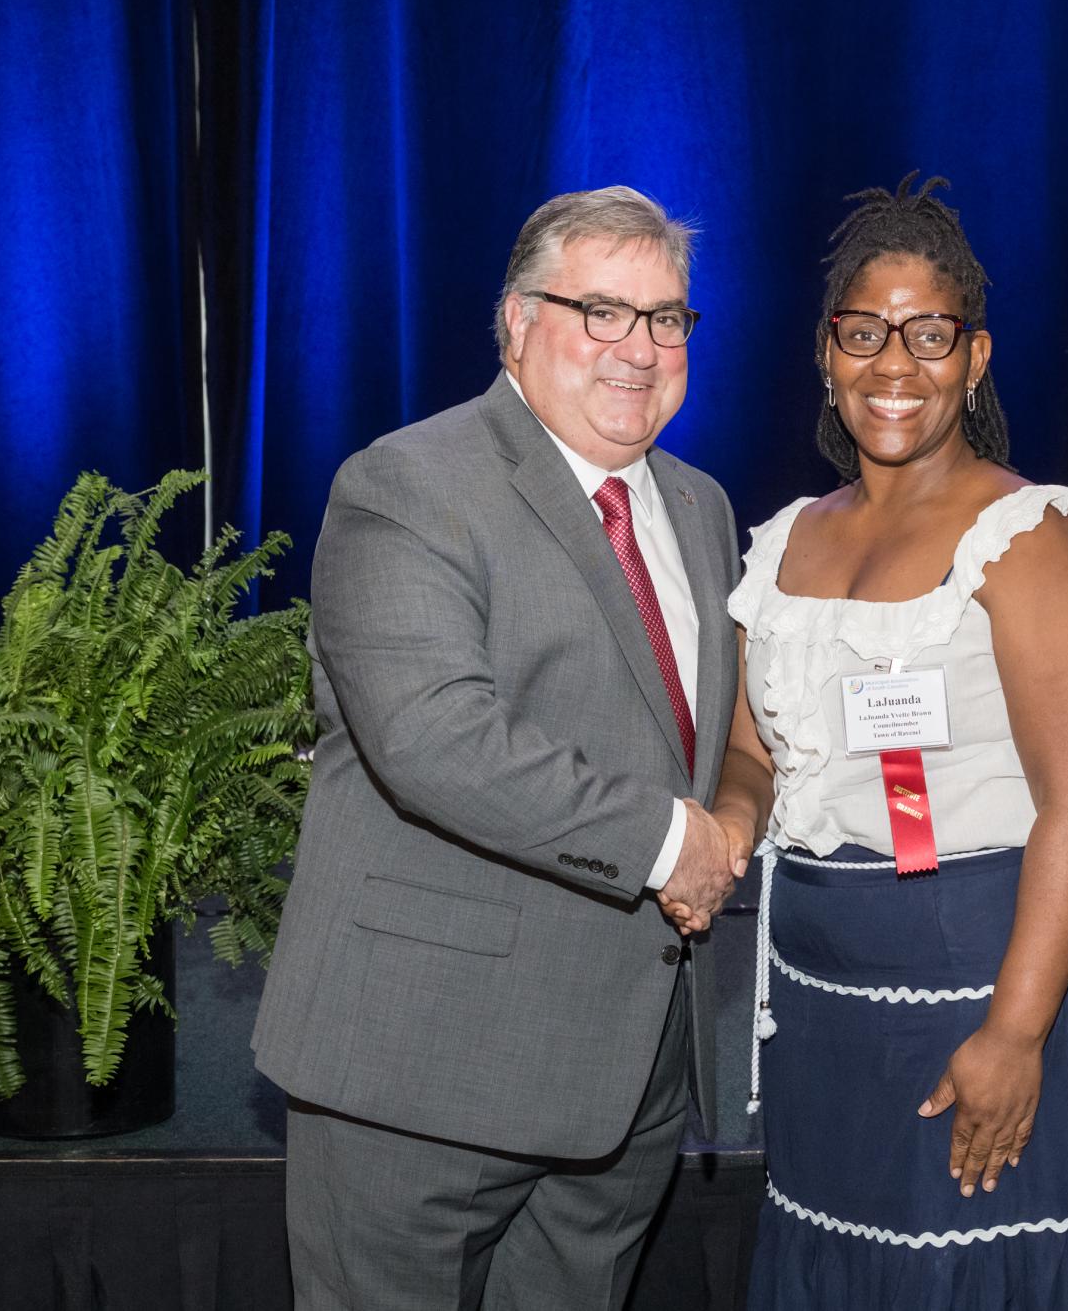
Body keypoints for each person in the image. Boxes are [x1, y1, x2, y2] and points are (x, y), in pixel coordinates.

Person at [251, 185, 746, 1311]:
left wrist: (730, 820)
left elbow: (700, 739)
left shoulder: (700, 506)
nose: (639, 347)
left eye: (666, 317)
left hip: (627, 1079)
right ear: (518, 321)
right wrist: (670, 843)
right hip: (423, 1069)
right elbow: (433, 737)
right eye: (601, 311)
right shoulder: (408, 483)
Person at [706, 175, 1068, 1308]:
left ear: (974, 357)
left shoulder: (1031, 540)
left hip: (985, 978)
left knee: (973, 1271)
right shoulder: (782, 542)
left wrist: (1016, 1031)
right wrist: (727, 828)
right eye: (864, 332)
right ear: (826, 352)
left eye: (928, 334)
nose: (893, 363)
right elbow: (754, 753)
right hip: (819, 999)